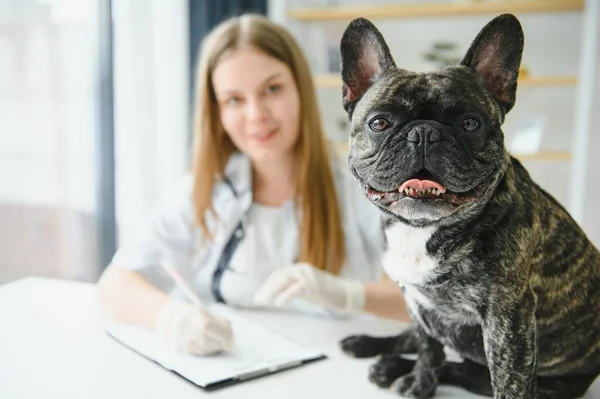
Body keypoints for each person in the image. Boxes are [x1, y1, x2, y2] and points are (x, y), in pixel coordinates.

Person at [97, 13, 409, 357]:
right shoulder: (205, 191)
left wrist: (350, 295)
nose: (255, 114)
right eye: (234, 100)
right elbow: (115, 284)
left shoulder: (362, 185)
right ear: (216, 112)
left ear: (300, 88)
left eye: (272, 89)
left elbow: (437, 298)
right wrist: (172, 318)